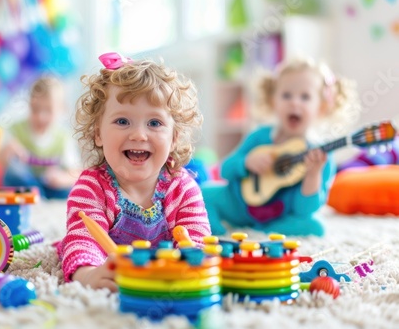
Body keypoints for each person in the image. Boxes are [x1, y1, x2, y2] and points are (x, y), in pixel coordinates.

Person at [57, 52, 211, 291]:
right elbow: (83, 240)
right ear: (98, 133)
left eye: (154, 123)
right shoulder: (91, 187)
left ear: (174, 138)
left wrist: (188, 267)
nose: (139, 135)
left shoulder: (183, 188)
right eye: (122, 121)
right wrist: (88, 275)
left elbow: (198, 242)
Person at [202, 57, 359, 237]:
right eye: (286, 95)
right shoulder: (260, 136)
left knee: (315, 227)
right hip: (239, 205)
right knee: (203, 193)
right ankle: (217, 235)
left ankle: (264, 229)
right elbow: (225, 170)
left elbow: (304, 210)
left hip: (279, 217)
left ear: (321, 108)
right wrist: (246, 162)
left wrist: (312, 175)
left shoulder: (321, 155)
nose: (294, 102)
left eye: (305, 97)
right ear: (273, 101)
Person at [0, 76, 81, 199]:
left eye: (48, 110)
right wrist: (8, 151)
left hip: (50, 185)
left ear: (61, 109)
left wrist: (62, 179)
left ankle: (38, 195)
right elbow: (3, 162)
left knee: (70, 191)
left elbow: (75, 172)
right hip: (23, 182)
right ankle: (36, 194)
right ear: (29, 105)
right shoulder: (16, 130)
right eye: (35, 109)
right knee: (13, 174)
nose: (41, 116)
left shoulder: (63, 137)